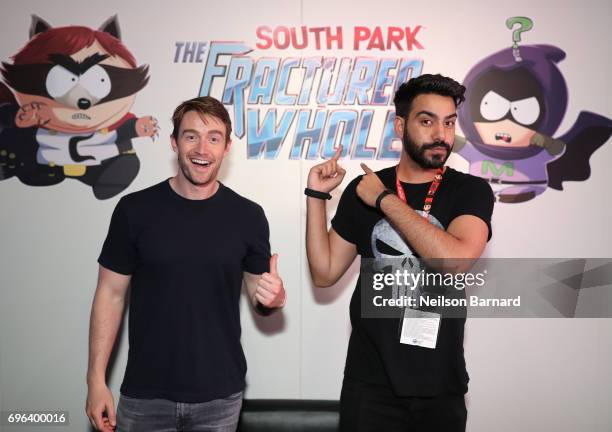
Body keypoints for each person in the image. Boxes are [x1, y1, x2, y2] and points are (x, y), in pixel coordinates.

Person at [305, 74, 494, 431]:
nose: (441, 133)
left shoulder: (470, 191)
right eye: (427, 121)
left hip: (441, 385)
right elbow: (324, 271)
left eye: (449, 122)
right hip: (370, 383)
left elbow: (454, 261)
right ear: (400, 125)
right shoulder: (363, 189)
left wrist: (384, 200)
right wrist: (316, 197)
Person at [85, 96, 286, 432]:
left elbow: (257, 293)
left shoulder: (248, 216)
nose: (202, 149)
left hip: (220, 395)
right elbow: (110, 295)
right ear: (174, 142)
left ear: (226, 148)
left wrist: (271, 300)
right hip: (145, 394)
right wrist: (95, 380)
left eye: (214, 138)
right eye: (191, 136)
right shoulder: (134, 211)